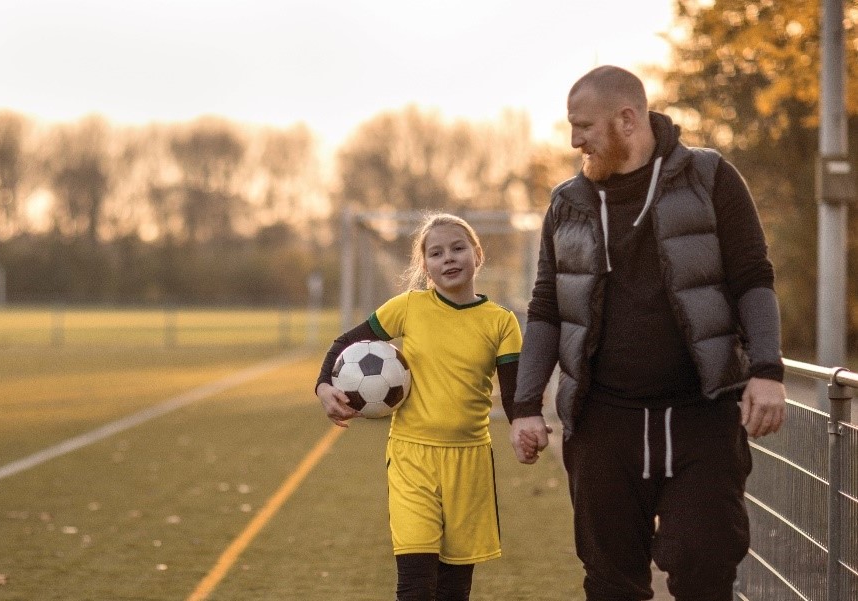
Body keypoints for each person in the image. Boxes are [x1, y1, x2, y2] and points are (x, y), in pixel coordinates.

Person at [510, 65, 787, 601]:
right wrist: (526, 405)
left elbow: (754, 278)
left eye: (584, 125)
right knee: (612, 584)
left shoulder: (711, 178)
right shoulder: (567, 203)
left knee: (705, 572)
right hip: (602, 426)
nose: (574, 140)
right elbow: (545, 309)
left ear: (627, 119)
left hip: (700, 419)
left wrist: (767, 370)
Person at [315, 212, 534, 601]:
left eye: (457, 248)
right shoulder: (408, 307)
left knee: (453, 590)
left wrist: (522, 427)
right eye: (436, 253)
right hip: (411, 457)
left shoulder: (501, 322)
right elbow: (342, 345)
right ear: (425, 267)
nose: (448, 258)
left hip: (469, 462)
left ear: (477, 255)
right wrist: (324, 386)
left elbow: (514, 393)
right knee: (415, 585)